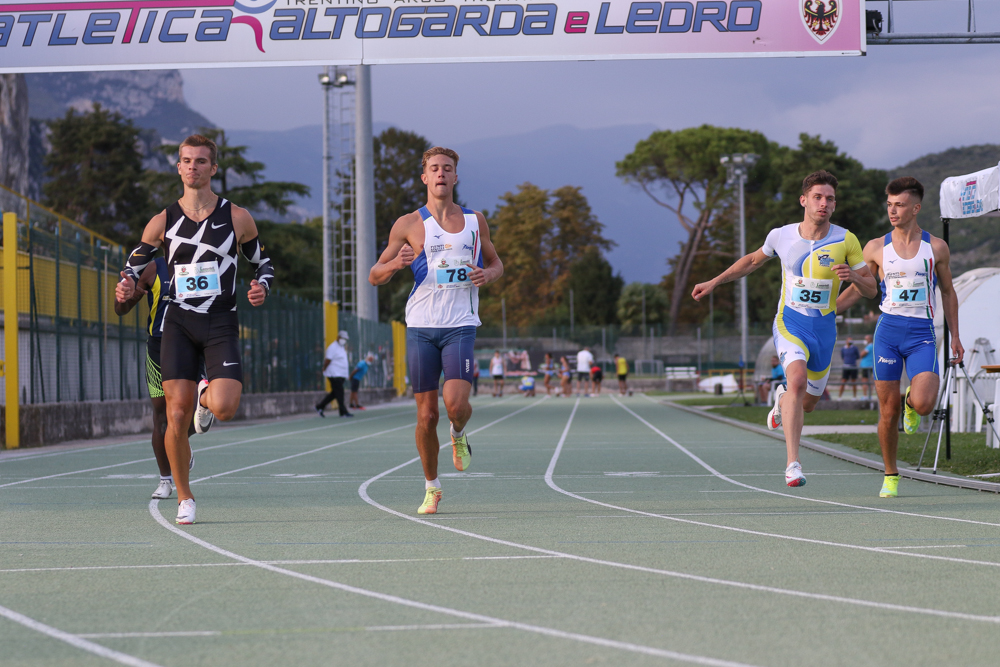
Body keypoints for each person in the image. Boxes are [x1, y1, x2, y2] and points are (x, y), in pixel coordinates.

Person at [116, 134, 272, 525]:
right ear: (178, 167)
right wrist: (125, 285)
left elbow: (263, 264)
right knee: (175, 414)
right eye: (186, 161)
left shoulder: (237, 217)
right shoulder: (162, 221)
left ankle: (206, 396)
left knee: (226, 408)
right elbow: (132, 267)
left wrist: (262, 286)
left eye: (201, 161)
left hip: (220, 321)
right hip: (179, 322)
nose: (193, 167)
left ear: (213, 168)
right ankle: (185, 497)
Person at [692, 170, 877, 488]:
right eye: (817, 197)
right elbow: (752, 261)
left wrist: (855, 277)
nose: (824, 203)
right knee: (797, 380)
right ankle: (793, 464)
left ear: (835, 204)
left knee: (807, 402)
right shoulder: (781, 235)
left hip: (824, 329)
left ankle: (782, 399)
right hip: (790, 323)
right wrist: (714, 281)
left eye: (830, 199)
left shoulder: (846, 240)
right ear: (803, 200)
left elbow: (872, 290)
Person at [369, 146, 503, 515]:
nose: (441, 173)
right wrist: (396, 264)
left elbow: (496, 263)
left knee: (456, 406)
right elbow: (374, 275)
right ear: (425, 177)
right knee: (427, 416)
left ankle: (458, 433)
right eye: (434, 168)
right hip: (421, 328)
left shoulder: (476, 221)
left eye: (447, 168)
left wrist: (488, 274)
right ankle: (432, 486)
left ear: (456, 177)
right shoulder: (408, 224)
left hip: (460, 326)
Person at [837, 176, 963, 498]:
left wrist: (955, 336)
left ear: (916, 208)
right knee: (887, 410)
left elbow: (948, 292)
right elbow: (861, 288)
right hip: (888, 333)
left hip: (922, 333)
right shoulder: (875, 247)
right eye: (889, 205)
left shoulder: (936, 247)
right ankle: (890, 474)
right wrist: (831, 309)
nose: (893, 211)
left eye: (900, 205)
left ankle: (911, 401)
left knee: (923, 404)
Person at [113, 257, 197, 500]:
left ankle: (181, 442)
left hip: (192, 345)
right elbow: (120, 309)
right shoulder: (153, 267)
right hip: (158, 347)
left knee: (193, 411)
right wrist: (126, 296)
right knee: (162, 417)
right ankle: (165, 479)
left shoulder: (205, 262)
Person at [316, 331, 352, 418]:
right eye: (342, 338)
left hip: (340, 374)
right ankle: (343, 411)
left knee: (335, 393)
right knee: (340, 393)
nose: (344, 340)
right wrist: (324, 368)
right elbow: (327, 360)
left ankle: (320, 406)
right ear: (338, 337)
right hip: (334, 374)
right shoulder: (333, 347)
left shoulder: (341, 347)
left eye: (345, 339)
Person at [858, 334, 874, 399]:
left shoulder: (869, 347)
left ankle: (865, 396)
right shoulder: (873, 346)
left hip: (866, 366)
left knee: (865, 381)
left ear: (869, 339)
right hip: (871, 365)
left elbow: (861, 354)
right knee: (870, 381)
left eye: (866, 339)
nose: (865, 340)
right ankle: (870, 396)